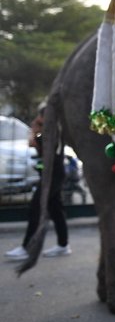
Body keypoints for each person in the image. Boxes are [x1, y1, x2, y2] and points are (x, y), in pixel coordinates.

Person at [4, 104, 71, 262]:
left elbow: (37, 146)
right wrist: (36, 132)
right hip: (51, 175)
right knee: (56, 210)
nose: (36, 123)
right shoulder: (48, 134)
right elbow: (34, 146)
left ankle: (27, 247)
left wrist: (36, 132)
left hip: (53, 176)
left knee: (36, 207)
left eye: (40, 120)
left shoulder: (54, 133)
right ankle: (63, 244)